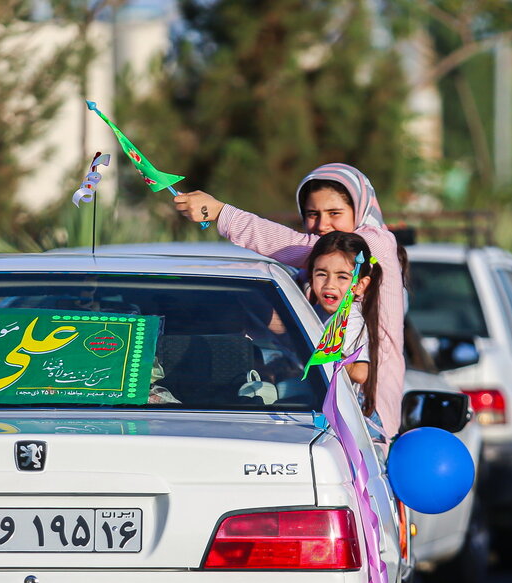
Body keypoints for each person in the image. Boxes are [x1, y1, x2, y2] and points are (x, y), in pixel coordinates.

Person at [172, 163, 405, 434]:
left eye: (334, 213)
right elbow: (295, 336)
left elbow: (311, 250)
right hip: (321, 415)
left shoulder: (376, 244)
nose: (322, 225)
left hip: (369, 416)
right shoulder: (312, 276)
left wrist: (223, 214)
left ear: (360, 209)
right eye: (312, 214)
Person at [306, 231, 383, 419]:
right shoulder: (317, 312)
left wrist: (328, 352)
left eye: (342, 277)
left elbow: (361, 373)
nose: (329, 285)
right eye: (322, 274)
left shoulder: (352, 319)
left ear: (359, 285)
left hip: (343, 412)